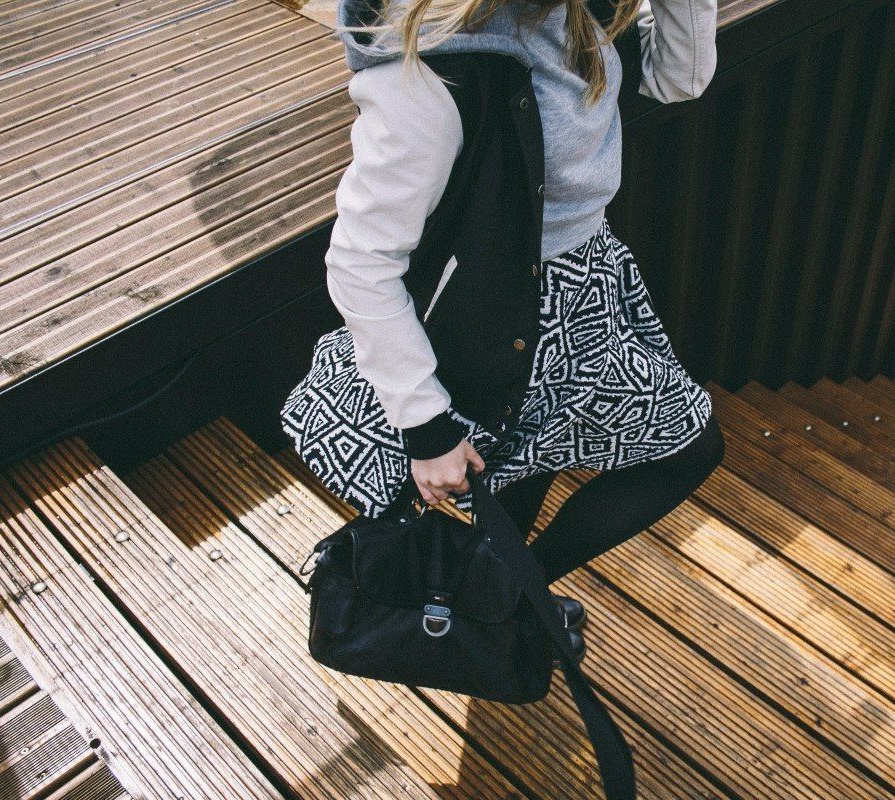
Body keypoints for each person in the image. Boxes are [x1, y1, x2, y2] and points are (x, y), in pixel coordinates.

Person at [282, 0, 724, 662]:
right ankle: (502, 603)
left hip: (583, 299)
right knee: (676, 450)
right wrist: (426, 427)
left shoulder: (569, 13)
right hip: (496, 319)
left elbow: (680, 78)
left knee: (538, 478)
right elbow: (359, 263)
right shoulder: (429, 78)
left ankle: (502, 597)